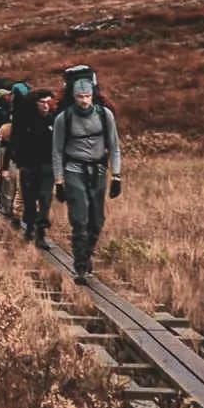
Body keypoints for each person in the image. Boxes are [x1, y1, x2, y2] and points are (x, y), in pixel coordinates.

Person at [52, 75, 123, 283]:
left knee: (97, 221)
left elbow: (114, 146)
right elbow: (56, 151)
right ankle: (81, 267)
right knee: (79, 219)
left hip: (98, 171)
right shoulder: (63, 119)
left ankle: (87, 254)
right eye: (80, 96)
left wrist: (116, 176)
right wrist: (59, 181)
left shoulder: (105, 115)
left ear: (93, 96)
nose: (84, 100)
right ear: (74, 97)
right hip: (74, 170)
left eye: (88, 96)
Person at [8, 86, 56, 245]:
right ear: (35, 104)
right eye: (42, 102)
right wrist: (19, 161)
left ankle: (41, 233)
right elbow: (15, 142)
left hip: (48, 167)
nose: (46, 106)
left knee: (45, 198)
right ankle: (29, 228)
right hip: (29, 166)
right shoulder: (24, 122)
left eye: (48, 102)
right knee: (29, 200)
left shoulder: (53, 121)